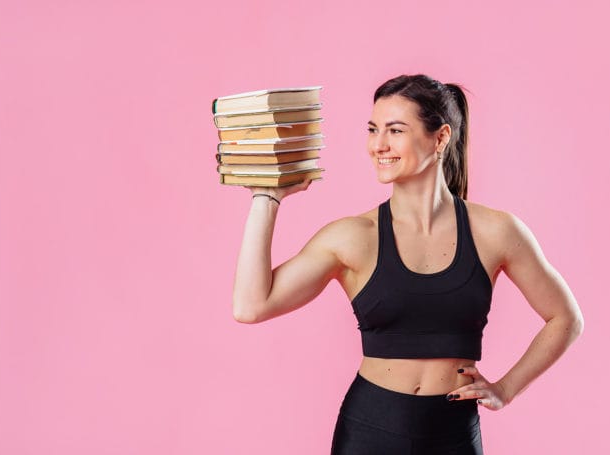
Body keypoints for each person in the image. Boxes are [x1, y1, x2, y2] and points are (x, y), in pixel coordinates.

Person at [232, 74, 584, 454]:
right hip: (370, 429)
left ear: (441, 137)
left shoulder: (496, 231)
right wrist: (266, 198)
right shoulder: (352, 236)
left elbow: (566, 318)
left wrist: (506, 389)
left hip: (454, 435)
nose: (378, 145)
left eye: (395, 130)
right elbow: (252, 306)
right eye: (372, 129)